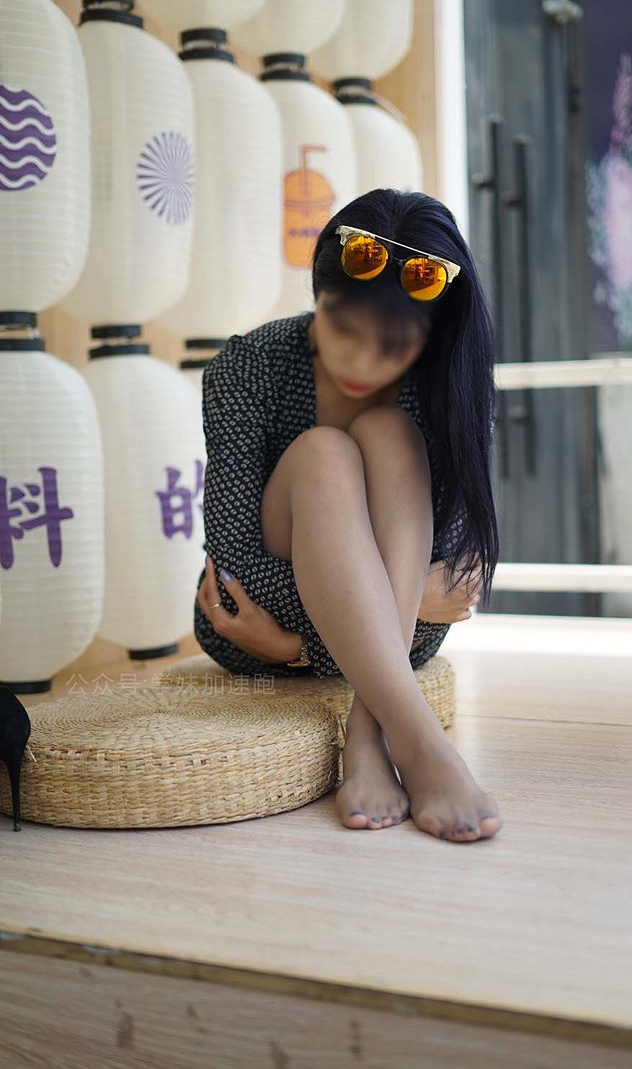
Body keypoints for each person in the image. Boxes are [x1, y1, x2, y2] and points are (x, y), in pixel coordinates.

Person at [195, 188, 502, 843]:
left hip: (389, 633)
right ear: (318, 296)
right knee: (323, 451)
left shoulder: (444, 383)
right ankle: (421, 742)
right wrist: (386, 603)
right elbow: (232, 571)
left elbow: (453, 578)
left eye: (394, 345)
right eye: (344, 330)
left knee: (390, 432)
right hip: (253, 630)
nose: (363, 362)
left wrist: (311, 641)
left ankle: (369, 735)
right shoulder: (248, 366)